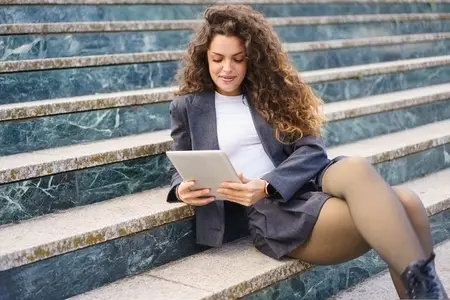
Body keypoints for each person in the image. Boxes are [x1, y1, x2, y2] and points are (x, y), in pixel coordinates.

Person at [165, 4, 448, 299]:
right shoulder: (188, 106)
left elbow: (312, 150)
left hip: (306, 181)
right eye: (218, 59)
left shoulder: (269, 93)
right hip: (274, 212)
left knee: (358, 168)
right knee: (406, 203)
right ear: (204, 58)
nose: (227, 68)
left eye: (238, 59)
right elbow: (180, 161)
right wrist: (181, 190)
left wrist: (267, 183)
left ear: (252, 58)